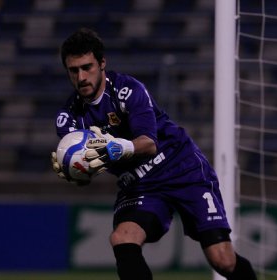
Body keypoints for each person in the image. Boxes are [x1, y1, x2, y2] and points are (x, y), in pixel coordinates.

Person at [51, 28, 257, 280]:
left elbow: (149, 144)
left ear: (102, 63)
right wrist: (77, 174)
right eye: (74, 70)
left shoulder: (128, 90)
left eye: (87, 67)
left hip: (182, 167)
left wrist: (117, 147)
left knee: (222, 260)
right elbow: (87, 172)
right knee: (122, 238)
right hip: (141, 185)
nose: (82, 77)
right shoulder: (68, 119)